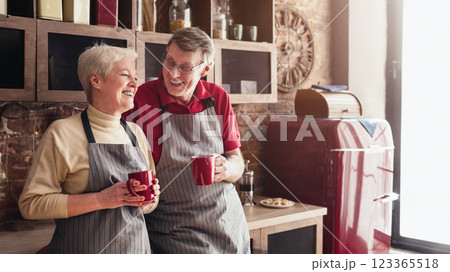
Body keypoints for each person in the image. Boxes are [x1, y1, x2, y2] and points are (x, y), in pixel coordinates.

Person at [18, 44, 160, 254]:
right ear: (96, 80)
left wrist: (148, 200)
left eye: (136, 77)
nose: (135, 83)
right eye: (125, 74)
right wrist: (100, 200)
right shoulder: (62, 133)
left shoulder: (136, 133)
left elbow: (151, 201)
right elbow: (31, 204)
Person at [123, 27, 250, 253]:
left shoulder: (218, 97)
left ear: (205, 69)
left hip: (228, 225)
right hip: (174, 232)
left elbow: (237, 162)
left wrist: (227, 168)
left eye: (185, 67)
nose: (173, 74)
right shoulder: (140, 100)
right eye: (170, 62)